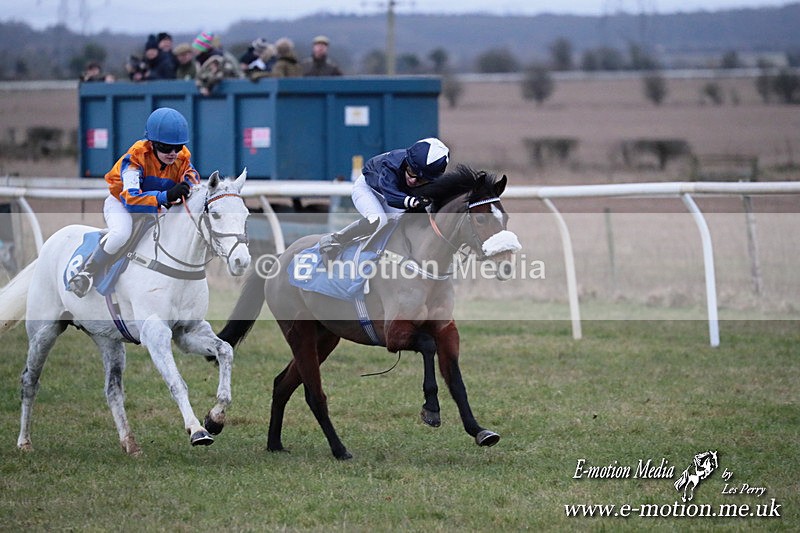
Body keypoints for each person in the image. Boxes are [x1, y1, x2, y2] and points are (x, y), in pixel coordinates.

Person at [66, 107, 199, 297]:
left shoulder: (182, 157)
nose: (172, 153)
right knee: (121, 234)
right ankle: (87, 272)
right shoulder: (135, 159)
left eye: (177, 147)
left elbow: (193, 177)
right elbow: (131, 199)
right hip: (121, 203)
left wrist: (188, 184)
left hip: (154, 206)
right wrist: (166, 196)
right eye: (166, 147)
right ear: (152, 143)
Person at [319, 138, 449, 261]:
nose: (413, 180)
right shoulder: (392, 163)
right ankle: (335, 240)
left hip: (398, 195)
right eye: (411, 171)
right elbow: (391, 196)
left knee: (407, 224)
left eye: (422, 179)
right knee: (378, 220)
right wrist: (413, 201)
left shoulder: (432, 179)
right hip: (369, 189)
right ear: (406, 162)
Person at [192, 31, 243, 95]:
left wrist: (208, 88)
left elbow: (220, 74)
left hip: (229, 88)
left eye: (196, 48)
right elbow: (199, 77)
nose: (194, 50)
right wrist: (201, 87)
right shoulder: (199, 60)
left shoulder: (218, 58)